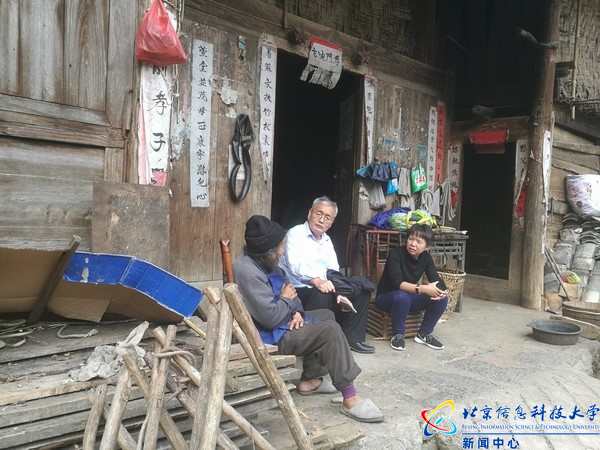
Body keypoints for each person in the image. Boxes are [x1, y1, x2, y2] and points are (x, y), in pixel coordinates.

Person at [233, 215, 384, 423]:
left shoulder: (268, 263)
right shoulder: (246, 271)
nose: (283, 251)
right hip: (268, 337)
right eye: (281, 246)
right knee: (329, 331)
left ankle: (309, 380)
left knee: (327, 315)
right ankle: (350, 398)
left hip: (283, 319)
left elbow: (290, 292)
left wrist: (295, 311)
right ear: (268, 250)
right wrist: (287, 302)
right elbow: (270, 318)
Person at [279, 196, 374, 354]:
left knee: (362, 288)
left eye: (327, 217)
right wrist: (317, 281)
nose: (322, 220)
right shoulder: (295, 234)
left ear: (331, 223)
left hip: (324, 285)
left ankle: (352, 338)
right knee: (322, 294)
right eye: (319, 214)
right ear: (310, 213)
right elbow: (295, 267)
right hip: (299, 289)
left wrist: (339, 291)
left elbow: (333, 270)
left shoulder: (326, 240)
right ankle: (314, 344)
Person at [375, 223, 448, 351]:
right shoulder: (395, 253)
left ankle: (423, 334)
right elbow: (397, 283)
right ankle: (398, 335)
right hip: (386, 298)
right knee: (402, 296)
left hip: (408, 298)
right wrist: (423, 288)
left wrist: (442, 291)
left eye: (419, 242)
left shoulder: (426, 258)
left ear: (427, 247)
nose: (413, 244)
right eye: (411, 239)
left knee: (442, 298)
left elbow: (436, 280)